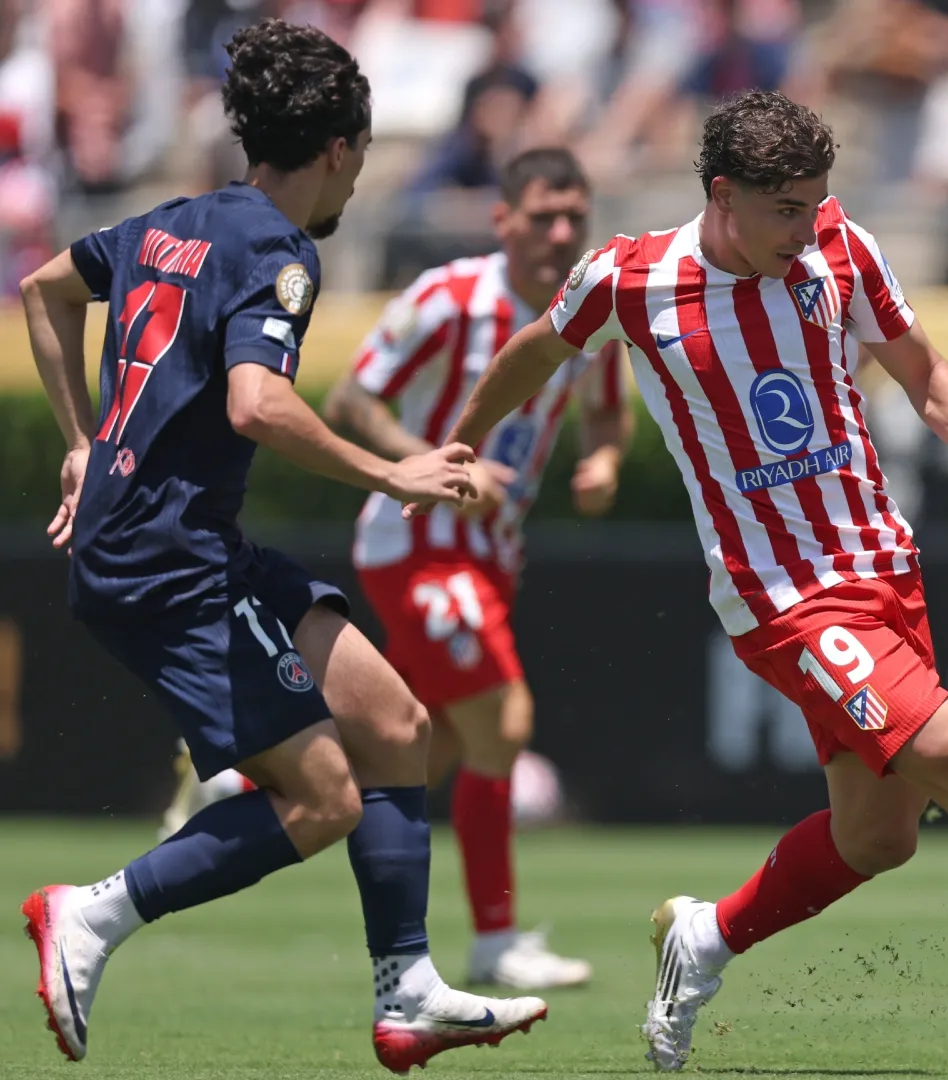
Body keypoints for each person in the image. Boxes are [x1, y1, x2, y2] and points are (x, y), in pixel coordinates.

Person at [424, 88, 948, 1072]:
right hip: (780, 597)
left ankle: (703, 938)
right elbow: (536, 351)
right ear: (724, 194)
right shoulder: (629, 280)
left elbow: (925, 373)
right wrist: (455, 446)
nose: (805, 231)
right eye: (785, 210)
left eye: (815, 205)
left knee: (878, 837)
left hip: (884, 568)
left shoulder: (843, 246)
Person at [16, 20, 549, 1071]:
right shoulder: (277, 250)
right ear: (343, 149)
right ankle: (91, 913)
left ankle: (409, 995)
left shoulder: (176, 220)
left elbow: (43, 292)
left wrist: (83, 446)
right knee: (321, 801)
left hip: (180, 538)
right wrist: (393, 472)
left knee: (396, 723)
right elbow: (259, 406)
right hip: (165, 562)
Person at [325, 145, 629, 990]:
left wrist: (602, 465)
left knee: (427, 745)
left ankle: (255, 783)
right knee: (505, 719)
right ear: (503, 220)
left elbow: (608, 419)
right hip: (413, 536)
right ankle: (495, 941)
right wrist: (433, 465)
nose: (561, 232)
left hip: (493, 555)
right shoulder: (449, 298)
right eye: (542, 216)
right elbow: (349, 402)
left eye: (575, 217)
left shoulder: (592, 317)